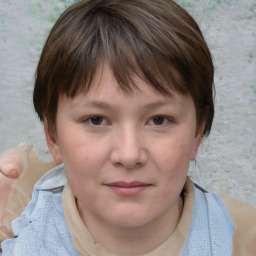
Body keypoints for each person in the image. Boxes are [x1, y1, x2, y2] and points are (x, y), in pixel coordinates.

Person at [0, 0, 256, 255]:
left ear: (197, 133)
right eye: (96, 120)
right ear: (52, 137)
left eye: (159, 120)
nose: (129, 155)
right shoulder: (14, 233)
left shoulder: (244, 239)